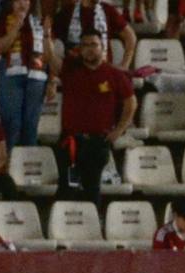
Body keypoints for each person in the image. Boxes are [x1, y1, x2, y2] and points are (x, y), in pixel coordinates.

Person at [54, 29, 135, 205]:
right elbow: (51, 61)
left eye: (94, 44)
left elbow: (131, 103)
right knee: (68, 189)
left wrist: (119, 130)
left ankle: (92, 226)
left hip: (97, 143)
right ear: (79, 49)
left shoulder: (114, 75)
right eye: (85, 45)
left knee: (92, 190)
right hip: (71, 143)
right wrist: (46, 36)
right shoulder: (71, 71)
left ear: (102, 47)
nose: (90, 49)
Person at [0, 0, 52, 149]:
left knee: (31, 126)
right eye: (18, 0)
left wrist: (52, 81)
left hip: (36, 76)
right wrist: (16, 27)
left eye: (25, 0)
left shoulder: (41, 20)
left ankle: (26, 165)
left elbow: (49, 56)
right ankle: (9, 166)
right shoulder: (3, 19)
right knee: (12, 125)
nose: (22, 4)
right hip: (11, 74)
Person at [54, 0, 136, 68]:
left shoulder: (107, 9)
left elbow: (130, 36)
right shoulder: (68, 11)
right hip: (76, 71)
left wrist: (125, 65)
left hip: (103, 70)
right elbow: (52, 38)